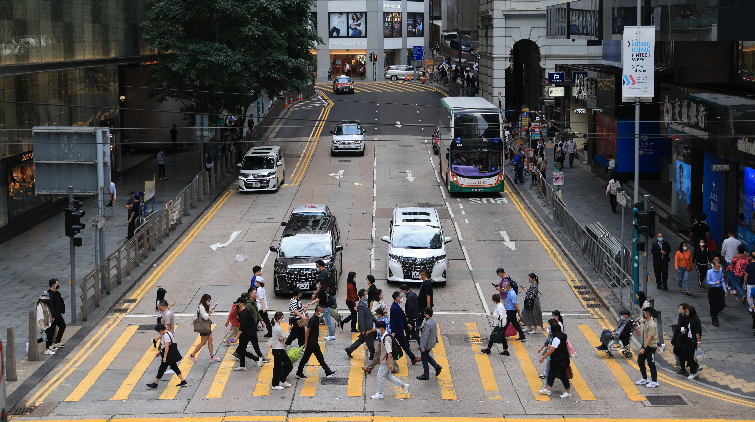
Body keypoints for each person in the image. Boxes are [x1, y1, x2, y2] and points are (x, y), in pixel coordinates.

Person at [295, 305, 338, 379]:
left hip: (314, 342)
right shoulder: (313, 320)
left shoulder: (316, 318)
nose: (322, 313)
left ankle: (328, 372)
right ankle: (299, 373)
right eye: (321, 312)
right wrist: (306, 342)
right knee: (305, 358)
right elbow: (307, 331)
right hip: (311, 343)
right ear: (318, 312)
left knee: (320, 358)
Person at [370, 320, 410, 399]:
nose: (376, 329)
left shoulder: (386, 339)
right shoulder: (386, 335)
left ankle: (380, 393)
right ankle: (404, 385)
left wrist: (389, 363)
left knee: (380, 376)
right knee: (388, 376)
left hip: (386, 361)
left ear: (382, 328)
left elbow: (389, 352)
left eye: (377, 328)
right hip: (386, 360)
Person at [146, 324, 187, 389]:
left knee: (161, 369)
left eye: (159, 331)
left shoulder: (165, 335)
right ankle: (183, 381)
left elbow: (167, 346)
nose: (159, 333)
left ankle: (155, 384)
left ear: (161, 330)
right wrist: (159, 352)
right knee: (174, 367)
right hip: (168, 354)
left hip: (167, 355)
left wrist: (165, 357)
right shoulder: (169, 333)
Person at [538, 322, 573, 398]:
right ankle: (548, 390)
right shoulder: (563, 336)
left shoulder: (556, 338)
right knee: (551, 374)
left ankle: (568, 392)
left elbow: (551, 350)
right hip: (559, 359)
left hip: (559, 361)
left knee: (563, 376)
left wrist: (543, 357)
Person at [363, 306, 399, 373]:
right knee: (389, 354)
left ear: (379, 314)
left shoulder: (384, 321)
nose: (376, 316)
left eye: (376, 315)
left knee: (378, 355)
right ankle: (396, 368)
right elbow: (377, 328)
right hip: (384, 340)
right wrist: (370, 331)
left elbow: (385, 330)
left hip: (384, 340)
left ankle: (369, 368)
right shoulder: (382, 320)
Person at [389, 291, 422, 365]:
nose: (402, 299)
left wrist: (408, 324)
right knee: (403, 345)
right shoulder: (395, 308)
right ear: (397, 299)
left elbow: (403, 316)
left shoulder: (397, 306)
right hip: (398, 331)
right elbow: (393, 321)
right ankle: (413, 358)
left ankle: (413, 358)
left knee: (404, 345)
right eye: (401, 297)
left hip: (399, 329)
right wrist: (393, 332)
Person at [345, 288, 375, 359]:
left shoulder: (363, 303)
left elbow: (368, 315)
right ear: (362, 296)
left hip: (367, 325)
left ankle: (349, 349)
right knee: (370, 341)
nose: (367, 295)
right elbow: (361, 318)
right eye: (365, 294)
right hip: (366, 327)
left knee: (361, 340)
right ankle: (372, 355)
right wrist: (363, 329)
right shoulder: (361, 305)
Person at [189, 294, 220, 363]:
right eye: (208, 300)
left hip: (206, 326)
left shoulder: (203, 306)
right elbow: (206, 317)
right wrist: (211, 310)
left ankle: (212, 356)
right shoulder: (201, 307)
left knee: (210, 340)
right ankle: (192, 355)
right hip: (204, 327)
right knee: (203, 342)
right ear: (205, 300)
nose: (208, 302)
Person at [234, 296, 262, 370]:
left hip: (246, 333)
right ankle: (242, 365)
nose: (236, 304)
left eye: (237, 303)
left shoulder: (243, 314)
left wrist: (236, 337)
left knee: (241, 350)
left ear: (240, 304)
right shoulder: (244, 312)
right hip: (248, 332)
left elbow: (242, 327)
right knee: (241, 349)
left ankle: (257, 359)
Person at [310, 260, 335, 340]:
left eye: (317, 266)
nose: (317, 268)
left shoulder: (322, 275)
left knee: (327, 318)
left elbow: (318, 299)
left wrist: (310, 302)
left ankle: (331, 334)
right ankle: (317, 321)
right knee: (321, 312)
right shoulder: (327, 272)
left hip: (325, 302)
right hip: (327, 299)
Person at [635, 307, 659, 388]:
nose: (643, 315)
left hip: (650, 347)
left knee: (651, 364)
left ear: (648, 314)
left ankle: (655, 381)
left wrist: (643, 348)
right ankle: (645, 378)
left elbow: (649, 338)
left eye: (644, 314)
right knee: (640, 360)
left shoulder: (652, 324)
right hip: (645, 345)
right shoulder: (647, 322)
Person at [416, 307, 442, 380]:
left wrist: (422, 347)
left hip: (427, 344)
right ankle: (437, 367)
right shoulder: (432, 320)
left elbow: (425, 336)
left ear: (428, 314)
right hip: (431, 342)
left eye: (425, 313)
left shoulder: (427, 323)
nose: (424, 315)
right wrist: (422, 329)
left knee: (424, 359)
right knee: (426, 356)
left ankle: (426, 374)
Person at [270, 311, 293, 389]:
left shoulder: (275, 326)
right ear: (278, 318)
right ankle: (275, 384)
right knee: (278, 367)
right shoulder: (277, 327)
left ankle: (282, 381)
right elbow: (285, 337)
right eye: (282, 318)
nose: (283, 320)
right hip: (278, 350)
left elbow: (282, 338)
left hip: (280, 349)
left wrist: (282, 339)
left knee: (288, 364)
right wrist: (289, 330)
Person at [682, 305, 702, 379]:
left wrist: (698, 343)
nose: (686, 312)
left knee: (691, 357)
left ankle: (693, 373)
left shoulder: (695, 320)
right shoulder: (689, 319)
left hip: (693, 341)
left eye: (687, 311)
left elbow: (697, 333)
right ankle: (696, 366)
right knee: (686, 354)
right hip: (688, 339)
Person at [706, 261, 728, 326]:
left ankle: (714, 313)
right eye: (717, 267)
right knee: (712, 305)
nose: (718, 268)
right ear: (714, 266)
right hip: (713, 289)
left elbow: (722, 281)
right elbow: (708, 282)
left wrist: (725, 289)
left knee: (722, 304)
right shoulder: (709, 272)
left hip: (719, 289)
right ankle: (714, 319)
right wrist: (715, 283)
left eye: (719, 267)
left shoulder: (720, 271)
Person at [46, 278, 66, 349]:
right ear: (53, 285)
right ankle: (49, 345)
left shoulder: (57, 293)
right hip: (53, 316)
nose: (58, 285)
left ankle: (57, 342)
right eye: (57, 284)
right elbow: (51, 307)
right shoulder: (50, 295)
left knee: (63, 326)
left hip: (58, 314)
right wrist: (53, 316)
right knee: (52, 330)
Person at [672, 303, 689, 375]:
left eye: (681, 308)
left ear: (685, 310)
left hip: (683, 338)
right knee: (677, 351)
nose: (679, 310)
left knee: (682, 353)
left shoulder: (687, 318)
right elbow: (678, 326)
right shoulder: (680, 315)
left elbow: (687, 328)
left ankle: (683, 368)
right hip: (678, 337)